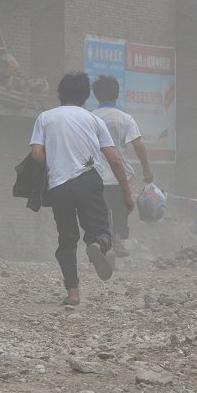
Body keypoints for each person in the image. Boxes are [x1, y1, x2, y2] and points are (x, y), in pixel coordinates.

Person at [29, 72, 134, 306]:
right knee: (100, 229)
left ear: (59, 94)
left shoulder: (45, 118)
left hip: (59, 185)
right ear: (86, 97)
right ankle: (96, 246)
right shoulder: (94, 120)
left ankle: (73, 293)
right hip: (88, 181)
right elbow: (115, 160)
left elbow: (36, 153)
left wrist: (55, 163)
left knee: (66, 239)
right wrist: (127, 193)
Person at [90, 75, 154, 257]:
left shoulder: (89, 118)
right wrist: (146, 169)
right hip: (120, 177)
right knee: (120, 209)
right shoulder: (125, 119)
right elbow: (139, 144)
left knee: (101, 213)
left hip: (96, 176)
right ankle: (116, 241)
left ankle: (100, 244)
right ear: (117, 95)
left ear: (96, 96)